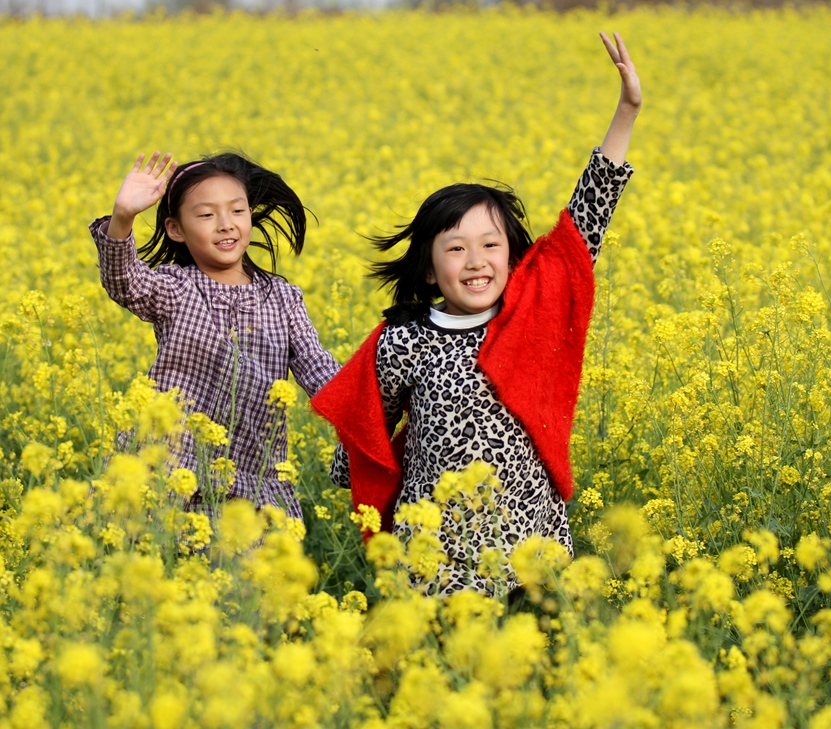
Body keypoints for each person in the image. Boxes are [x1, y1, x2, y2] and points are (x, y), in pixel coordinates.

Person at [313, 31, 641, 596]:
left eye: (491, 246)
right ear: (426, 269)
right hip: (433, 552)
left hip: (529, 543)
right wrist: (363, 501)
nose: (476, 261)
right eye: (456, 248)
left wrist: (627, 111)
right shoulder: (401, 341)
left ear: (515, 257)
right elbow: (367, 430)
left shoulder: (529, 313)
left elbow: (585, 221)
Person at [90, 151, 339, 522]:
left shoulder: (284, 298)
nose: (225, 224)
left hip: (250, 484)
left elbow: (318, 368)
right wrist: (124, 216)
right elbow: (126, 282)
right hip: (165, 471)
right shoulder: (177, 288)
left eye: (237, 211)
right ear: (176, 229)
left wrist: (377, 400)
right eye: (206, 215)